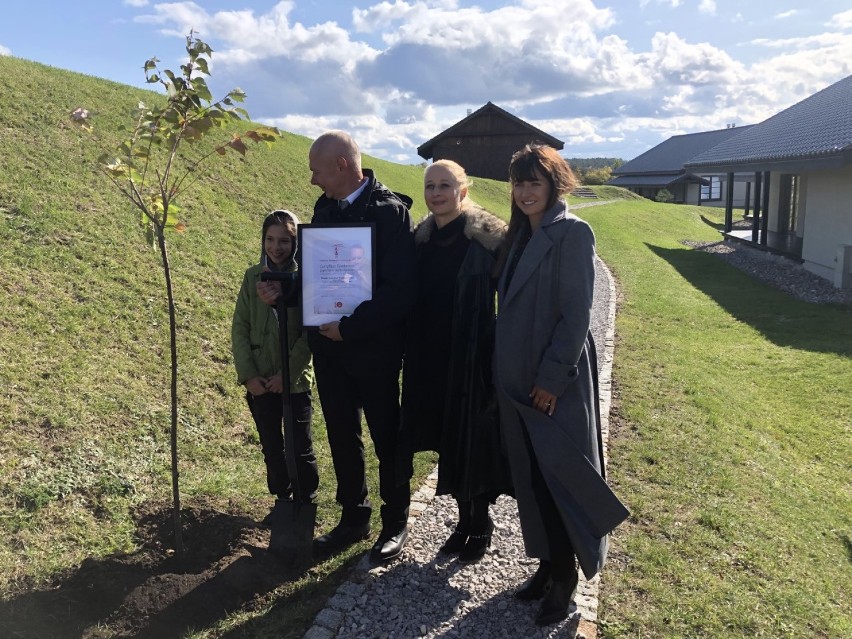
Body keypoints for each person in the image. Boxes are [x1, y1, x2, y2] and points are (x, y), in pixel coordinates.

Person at [257, 130, 417, 563]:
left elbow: (400, 291)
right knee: (342, 436)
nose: (312, 180)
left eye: (317, 170)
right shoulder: (324, 209)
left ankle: (395, 519)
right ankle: (353, 516)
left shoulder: (390, 213)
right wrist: (284, 294)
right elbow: (317, 280)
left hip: (374, 350)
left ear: (342, 166)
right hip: (330, 351)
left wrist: (351, 327)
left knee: (387, 437)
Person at [494, 144, 628, 626]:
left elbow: (577, 315)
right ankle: (548, 565)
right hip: (517, 381)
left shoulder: (573, 232)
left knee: (561, 478)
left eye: (536, 182)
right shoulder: (519, 236)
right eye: (519, 182)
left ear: (555, 185)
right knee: (531, 477)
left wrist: (551, 379)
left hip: (555, 381)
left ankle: (566, 577)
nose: (526, 192)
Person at [400, 160, 512, 563]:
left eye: (445, 185)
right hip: (430, 356)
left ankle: (479, 522)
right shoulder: (421, 241)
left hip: (473, 354)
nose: (435, 193)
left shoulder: (488, 242)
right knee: (449, 437)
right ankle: (463, 521)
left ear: (462, 191)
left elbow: (512, 300)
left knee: (474, 438)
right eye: (430, 186)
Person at [231, 210, 317, 521]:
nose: (276, 247)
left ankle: (305, 500)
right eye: (270, 239)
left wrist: (288, 373)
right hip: (260, 380)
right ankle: (282, 497)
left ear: (295, 243)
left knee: (299, 446)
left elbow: (309, 334)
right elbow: (240, 325)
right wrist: (250, 374)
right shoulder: (253, 276)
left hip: (293, 382)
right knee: (271, 443)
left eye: (284, 240)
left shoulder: (305, 278)